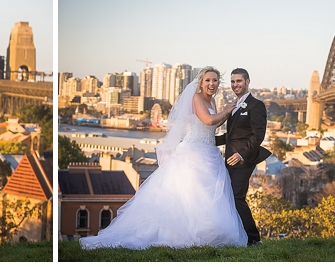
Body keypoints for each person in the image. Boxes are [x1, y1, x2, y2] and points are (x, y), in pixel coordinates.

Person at [80, 67, 248, 250]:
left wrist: (225, 114)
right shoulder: (197, 98)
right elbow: (208, 120)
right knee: (192, 194)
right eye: (208, 80)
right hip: (193, 153)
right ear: (201, 82)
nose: (211, 84)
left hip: (209, 151)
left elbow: (213, 124)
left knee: (206, 197)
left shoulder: (213, 101)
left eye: (215, 80)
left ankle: (209, 234)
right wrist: (227, 110)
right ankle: (187, 234)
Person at [216, 68, 272, 246]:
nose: (235, 85)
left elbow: (258, 135)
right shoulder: (234, 105)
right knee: (229, 196)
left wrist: (242, 154)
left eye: (239, 81)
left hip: (243, 160)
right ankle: (236, 235)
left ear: (247, 82)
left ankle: (253, 239)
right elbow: (232, 136)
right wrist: (208, 141)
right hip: (230, 159)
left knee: (236, 196)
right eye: (233, 82)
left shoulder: (256, 105)